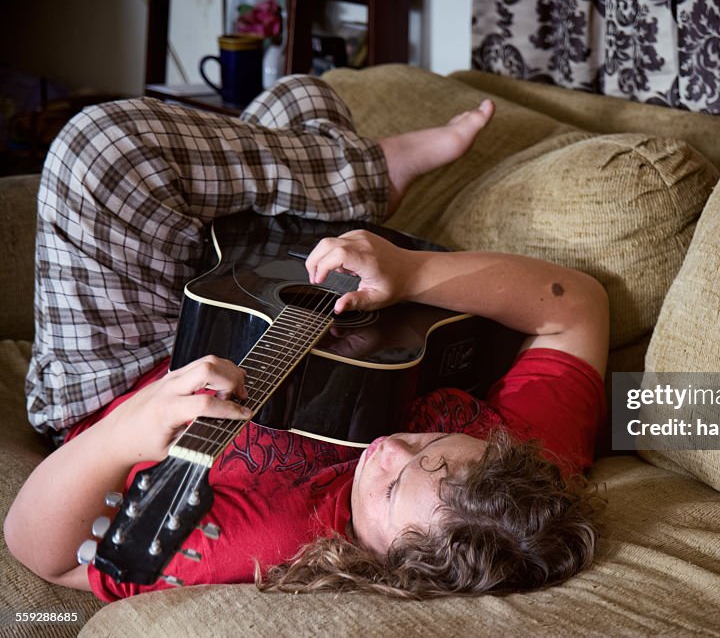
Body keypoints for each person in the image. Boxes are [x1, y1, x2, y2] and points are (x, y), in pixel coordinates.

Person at [4, 76, 609, 600]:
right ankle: (346, 175)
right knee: (303, 99)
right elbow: (576, 308)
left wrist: (125, 432)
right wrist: (412, 272)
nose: (390, 450)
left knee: (103, 152)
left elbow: (46, 555)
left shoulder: (267, 541)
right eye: (432, 442)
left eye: (393, 489)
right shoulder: (519, 473)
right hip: (242, 305)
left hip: (126, 380)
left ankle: (364, 173)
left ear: (395, 570)